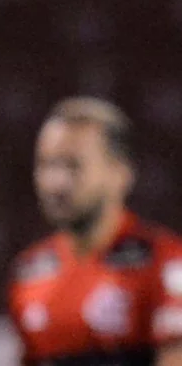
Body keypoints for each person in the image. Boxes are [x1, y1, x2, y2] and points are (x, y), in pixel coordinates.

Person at [9, 97, 182, 366]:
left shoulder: (164, 263)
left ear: (120, 173)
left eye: (73, 165)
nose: (56, 182)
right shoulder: (29, 273)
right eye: (46, 164)